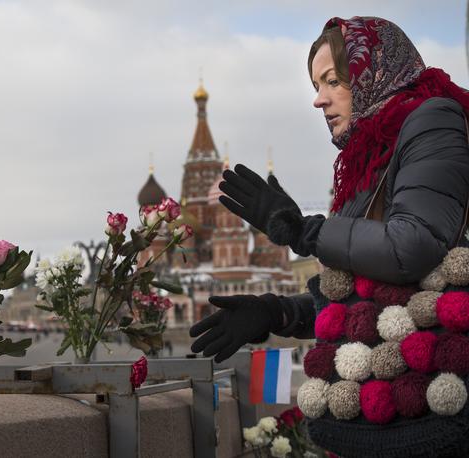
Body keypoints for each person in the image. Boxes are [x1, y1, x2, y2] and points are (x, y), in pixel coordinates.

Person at [190, 16, 469, 458]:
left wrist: (306, 231)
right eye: (315, 85)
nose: (319, 100)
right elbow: (366, 293)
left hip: (428, 398)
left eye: (333, 81)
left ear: (372, 71)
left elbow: (411, 247)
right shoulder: (364, 160)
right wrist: (278, 313)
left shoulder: (433, 122)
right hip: (374, 414)